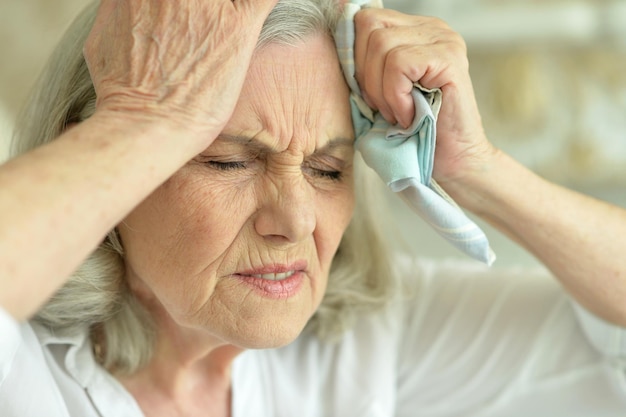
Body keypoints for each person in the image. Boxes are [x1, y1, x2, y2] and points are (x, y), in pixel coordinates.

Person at [1, 0, 626, 416]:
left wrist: (478, 168)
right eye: (228, 162)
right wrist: (146, 117)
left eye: (328, 169)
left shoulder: (362, 340)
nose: (297, 221)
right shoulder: (24, 371)